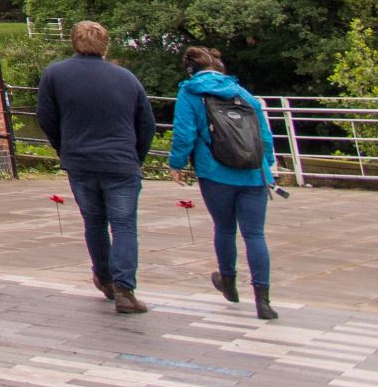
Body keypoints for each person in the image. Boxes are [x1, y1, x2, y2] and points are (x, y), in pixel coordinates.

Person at [35, 20, 160, 313]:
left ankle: (104, 278)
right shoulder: (127, 78)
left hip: (80, 161)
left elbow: (45, 116)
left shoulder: (55, 74)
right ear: (106, 44)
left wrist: (63, 147)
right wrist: (136, 157)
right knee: (124, 225)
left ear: (74, 42)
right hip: (121, 163)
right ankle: (125, 289)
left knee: (94, 222)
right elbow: (147, 124)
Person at [167, 45, 280, 320]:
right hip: (254, 173)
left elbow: (185, 132)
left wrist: (176, 163)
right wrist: (267, 166)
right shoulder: (243, 93)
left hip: (215, 171)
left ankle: (228, 282)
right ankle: (263, 300)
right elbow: (264, 136)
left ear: (190, 69)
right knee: (255, 235)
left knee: (225, 228)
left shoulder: (190, 92)